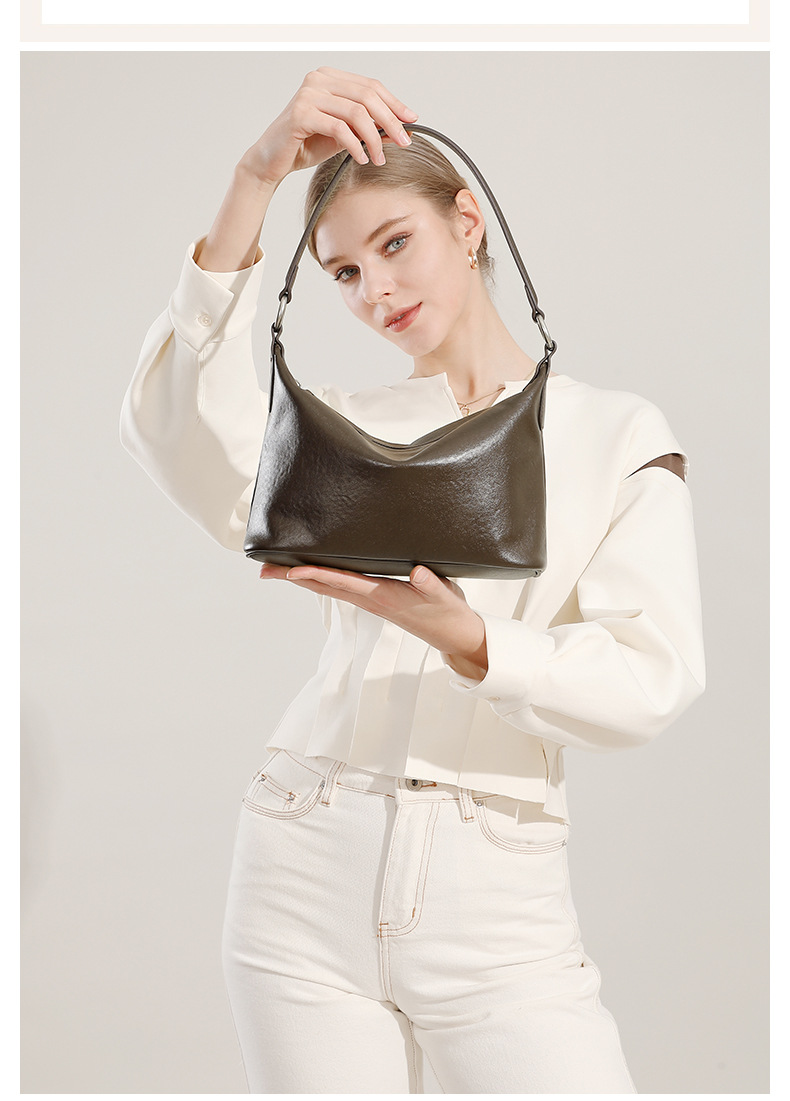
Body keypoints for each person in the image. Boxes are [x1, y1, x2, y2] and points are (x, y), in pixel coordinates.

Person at [120, 67, 706, 1094]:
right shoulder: (343, 431)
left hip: (498, 896)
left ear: (466, 223)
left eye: (394, 244)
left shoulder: (614, 433)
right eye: (343, 272)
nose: (375, 292)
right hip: (303, 857)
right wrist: (254, 176)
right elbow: (175, 428)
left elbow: (652, 677)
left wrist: (469, 639)